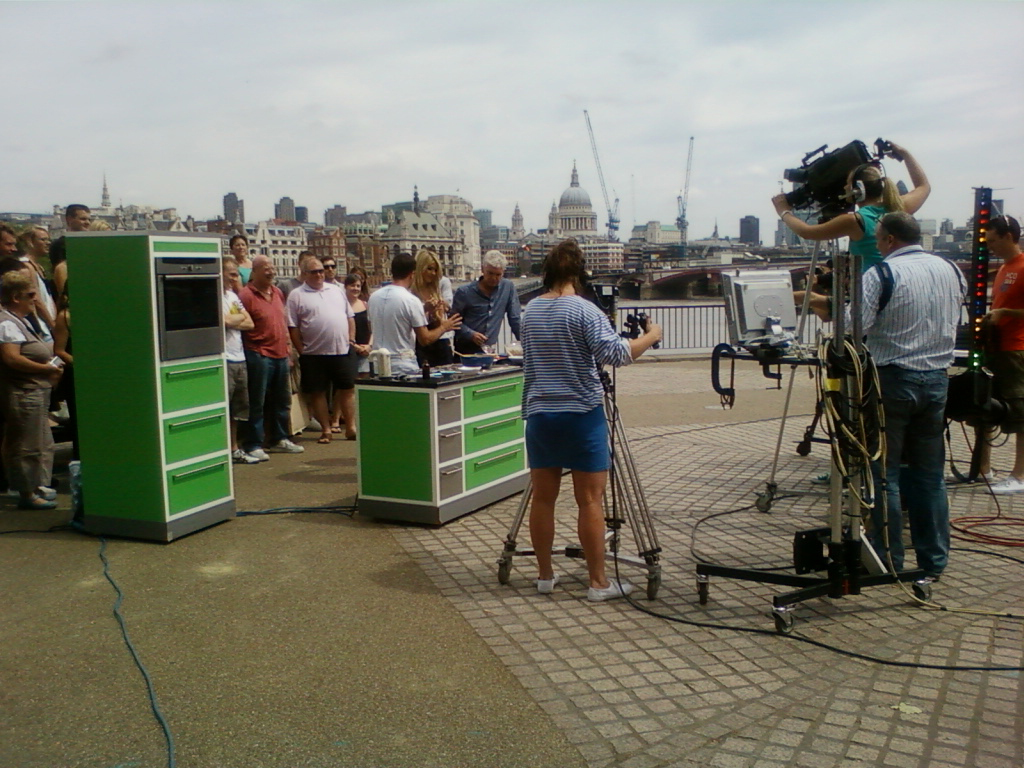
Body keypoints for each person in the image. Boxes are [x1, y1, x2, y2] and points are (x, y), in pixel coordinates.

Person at [521, 240, 661, 601]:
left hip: (540, 414)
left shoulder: (530, 311)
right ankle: (598, 582)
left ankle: (544, 575)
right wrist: (650, 337)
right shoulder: (586, 310)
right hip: (582, 414)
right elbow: (616, 354)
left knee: (543, 499)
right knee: (589, 501)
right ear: (580, 272)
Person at [850, 212, 963, 583]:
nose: (878, 245)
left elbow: (852, 328)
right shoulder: (951, 270)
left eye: (879, 238)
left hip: (892, 381)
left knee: (886, 475)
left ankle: (889, 560)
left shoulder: (881, 274)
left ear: (890, 239)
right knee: (930, 476)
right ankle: (933, 560)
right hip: (937, 381)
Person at [772, 142, 930, 272]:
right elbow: (923, 186)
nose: (845, 188)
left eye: (848, 184)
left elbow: (807, 232)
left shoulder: (855, 221)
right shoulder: (898, 208)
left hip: (871, 288)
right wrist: (905, 154)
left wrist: (783, 211)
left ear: (857, 190)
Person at [0, 270, 62, 510]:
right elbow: (12, 359)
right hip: (23, 392)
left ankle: (35, 486)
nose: (35, 299)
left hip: (35, 391)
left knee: (39, 442)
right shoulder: (7, 323)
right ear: (16, 297)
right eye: (30, 294)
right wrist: (46, 368)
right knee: (25, 444)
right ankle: (26, 493)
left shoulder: (20, 319)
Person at [975, 216, 1024, 493]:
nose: (989, 246)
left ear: (1008, 236)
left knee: (1019, 411)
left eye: (992, 241)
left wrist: (1005, 313)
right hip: (995, 347)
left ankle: (1019, 475)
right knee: (984, 408)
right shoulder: (1004, 268)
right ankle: (983, 468)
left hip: (1016, 349)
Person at [286, 256, 357, 442]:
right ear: (304, 273)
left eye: (321, 270)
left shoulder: (337, 290)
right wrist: (302, 350)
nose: (319, 274)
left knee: (347, 389)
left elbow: (349, 316)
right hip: (314, 354)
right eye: (314, 271)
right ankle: (326, 429)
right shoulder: (296, 295)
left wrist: (351, 339)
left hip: (342, 350)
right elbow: (293, 326)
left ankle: (351, 427)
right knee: (318, 393)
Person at [238, 255, 304, 458]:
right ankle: (253, 444)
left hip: (280, 354)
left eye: (272, 268)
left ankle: (279, 439)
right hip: (258, 354)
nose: (271, 271)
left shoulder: (277, 292)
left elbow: (282, 323)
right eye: (266, 268)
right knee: (257, 401)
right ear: (254, 272)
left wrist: (288, 349)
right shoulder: (246, 295)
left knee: (282, 400)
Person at [367, 252, 461, 376]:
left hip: (377, 363)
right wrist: (444, 327)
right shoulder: (411, 300)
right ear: (412, 274)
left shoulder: (373, 297)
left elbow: (371, 328)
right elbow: (425, 339)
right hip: (403, 363)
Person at [222, 257, 259, 464]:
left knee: (238, 409)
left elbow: (250, 323)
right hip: (225, 358)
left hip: (239, 357)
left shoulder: (233, 297)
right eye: (232, 274)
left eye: (236, 274)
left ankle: (234, 448)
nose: (235, 278)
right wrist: (234, 320)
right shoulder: (214, 296)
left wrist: (232, 321)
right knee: (225, 406)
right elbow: (225, 321)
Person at [452, 250, 521, 355]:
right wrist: (471, 334)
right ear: (482, 269)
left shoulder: (508, 287)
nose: (494, 278)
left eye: (498, 275)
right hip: (465, 348)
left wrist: (525, 344)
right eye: (490, 273)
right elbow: (453, 320)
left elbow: (515, 319)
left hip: (489, 349)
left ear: (503, 272)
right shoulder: (464, 292)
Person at [410, 249, 454, 366]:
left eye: (435, 270)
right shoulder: (410, 289)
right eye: (429, 269)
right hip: (418, 341)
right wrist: (425, 309)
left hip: (441, 339)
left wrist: (439, 307)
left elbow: (447, 307)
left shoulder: (442, 283)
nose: (433, 273)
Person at [15, 226, 56, 329]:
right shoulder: (25, 265)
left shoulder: (38, 266)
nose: (48, 243)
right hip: (41, 325)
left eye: (48, 240)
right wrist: (52, 324)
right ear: (30, 242)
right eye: (43, 240)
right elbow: (36, 299)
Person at [49, 204, 92, 297]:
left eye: (89, 219)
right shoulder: (60, 244)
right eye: (83, 219)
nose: (87, 222)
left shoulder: (90, 244)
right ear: (69, 219)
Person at [344, 272, 372, 382]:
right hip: (348, 352)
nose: (355, 288)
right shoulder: (342, 306)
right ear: (346, 287)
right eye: (352, 285)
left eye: (358, 286)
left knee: (365, 382)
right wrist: (356, 347)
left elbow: (373, 328)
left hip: (366, 352)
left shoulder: (366, 305)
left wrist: (369, 346)